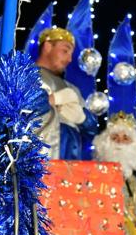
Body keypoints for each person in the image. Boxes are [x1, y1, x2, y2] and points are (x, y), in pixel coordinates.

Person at [35, 27, 98, 159]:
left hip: (70, 166)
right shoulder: (26, 76)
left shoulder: (72, 89)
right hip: (36, 161)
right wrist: (49, 101)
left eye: (71, 54)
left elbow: (92, 130)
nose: (69, 59)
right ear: (47, 46)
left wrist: (83, 118)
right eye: (65, 51)